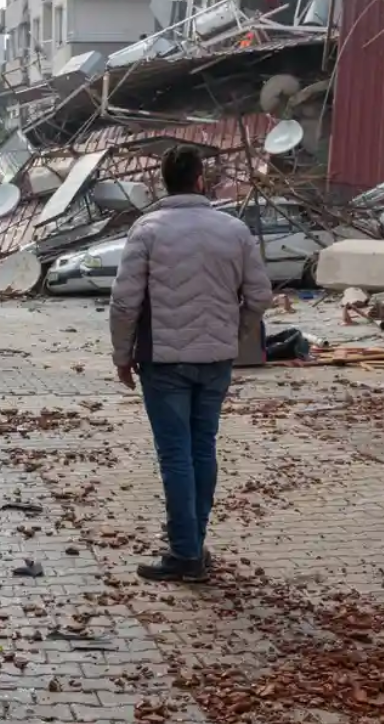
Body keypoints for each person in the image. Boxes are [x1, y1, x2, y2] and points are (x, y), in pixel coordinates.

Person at [109, 146, 272, 583]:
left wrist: (122, 356)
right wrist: (234, 333)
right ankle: (193, 545)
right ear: (201, 179)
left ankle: (185, 555)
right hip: (216, 359)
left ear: (165, 181)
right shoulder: (235, 230)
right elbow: (259, 296)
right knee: (203, 448)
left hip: (163, 361)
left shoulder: (147, 230)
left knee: (176, 454)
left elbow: (124, 302)